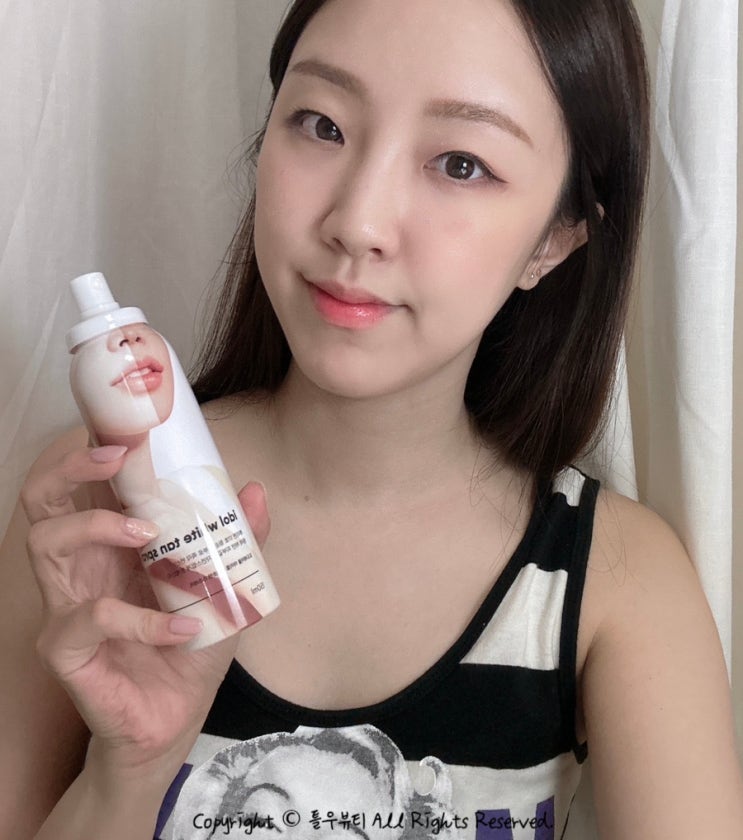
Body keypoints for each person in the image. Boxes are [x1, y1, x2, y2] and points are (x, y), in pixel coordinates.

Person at [2, 0, 742, 837]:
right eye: (322, 124)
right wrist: (128, 774)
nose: (356, 222)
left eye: (460, 163)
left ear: (555, 238)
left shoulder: (616, 578)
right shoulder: (97, 502)